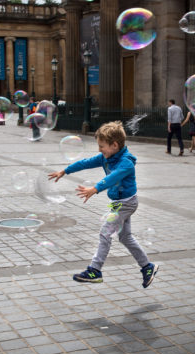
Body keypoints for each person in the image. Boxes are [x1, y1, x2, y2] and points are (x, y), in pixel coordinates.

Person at [48, 121, 158, 288]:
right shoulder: (106, 157)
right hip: (118, 202)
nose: (99, 150)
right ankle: (147, 267)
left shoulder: (126, 162)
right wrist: (65, 171)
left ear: (114, 145)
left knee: (105, 233)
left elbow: (114, 177)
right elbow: (85, 162)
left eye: (102, 146)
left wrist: (95, 188)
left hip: (126, 203)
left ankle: (95, 270)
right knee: (125, 236)